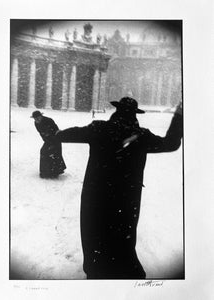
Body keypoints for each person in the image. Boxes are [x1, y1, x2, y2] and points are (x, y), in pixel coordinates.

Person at [53, 97, 183, 279]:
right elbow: (171, 143)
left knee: (94, 232)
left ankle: (96, 270)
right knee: (123, 236)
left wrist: (57, 133)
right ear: (134, 115)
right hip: (126, 198)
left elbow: (69, 134)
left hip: (96, 195)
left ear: (117, 111)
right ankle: (124, 273)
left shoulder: (99, 129)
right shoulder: (141, 136)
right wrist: (179, 116)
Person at [31, 111, 66, 179]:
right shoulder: (36, 123)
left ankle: (55, 172)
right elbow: (41, 133)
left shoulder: (49, 120)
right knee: (43, 151)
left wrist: (52, 139)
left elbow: (56, 130)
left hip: (56, 139)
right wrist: (46, 140)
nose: (37, 120)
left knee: (54, 153)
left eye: (38, 118)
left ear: (41, 116)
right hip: (47, 140)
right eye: (35, 119)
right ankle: (45, 172)